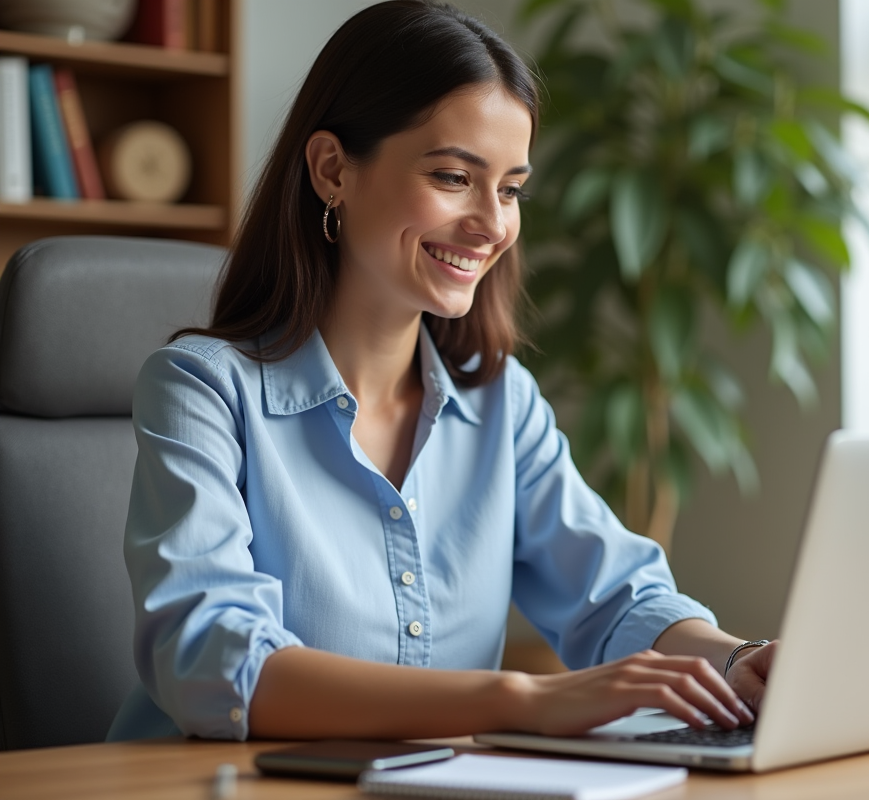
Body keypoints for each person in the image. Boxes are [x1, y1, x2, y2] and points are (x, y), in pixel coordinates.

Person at [107, 0, 775, 743]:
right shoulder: (202, 390)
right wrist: (518, 702)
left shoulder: (500, 404)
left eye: (512, 188)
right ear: (333, 169)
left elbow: (617, 597)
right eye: (455, 177)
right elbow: (214, 660)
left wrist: (737, 660)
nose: (493, 223)